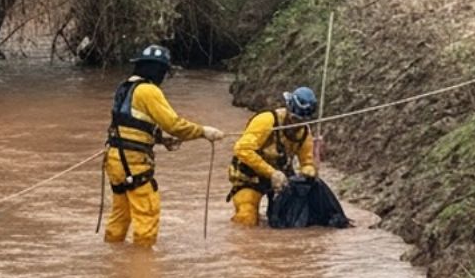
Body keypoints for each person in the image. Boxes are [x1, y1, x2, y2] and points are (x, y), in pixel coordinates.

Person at [104, 44, 224, 247]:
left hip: (115, 159)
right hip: (133, 162)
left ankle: (113, 253)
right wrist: (203, 132)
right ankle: (142, 267)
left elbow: (131, 123)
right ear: (158, 70)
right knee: (147, 213)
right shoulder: (149, 91)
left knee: (121, 213)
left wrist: (160, 139)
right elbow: (174, 124)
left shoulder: (124, 88)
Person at [228, 87, 318, 227]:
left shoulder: (304, 133)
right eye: (294, 118)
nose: (296, 124)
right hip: (251, 177)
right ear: (288, 109)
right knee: (247, 216)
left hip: (281, 180)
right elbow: (242, 149)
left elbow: (307, 161)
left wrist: (308, 172)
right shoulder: (266, 120)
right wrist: (272, 173)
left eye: (301, 121)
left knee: (292, 219)